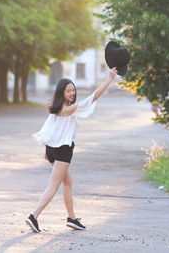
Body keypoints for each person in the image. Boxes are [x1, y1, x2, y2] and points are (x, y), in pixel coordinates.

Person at [26, 67, 118, 233]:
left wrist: (47, 151)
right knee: (52, 187)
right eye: (68, 91)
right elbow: (94, 97)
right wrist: (109, 79)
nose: (72, 93)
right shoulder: (69, 109)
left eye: (73, 90)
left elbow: (49, 130)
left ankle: (72, 219)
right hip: (62, 151)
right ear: (62, 92)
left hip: (53, 150)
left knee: (67, 182)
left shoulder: (56, 109)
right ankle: (33, 216)